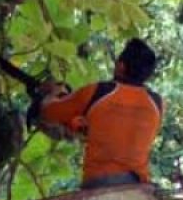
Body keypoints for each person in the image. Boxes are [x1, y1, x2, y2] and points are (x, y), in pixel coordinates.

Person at [39, 38, 163, 189]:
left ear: (121, 66)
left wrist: (53, 92)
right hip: (140, 186)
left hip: (100, 183)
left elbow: (48, 112)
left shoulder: (99, 92)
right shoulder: (157, 104)